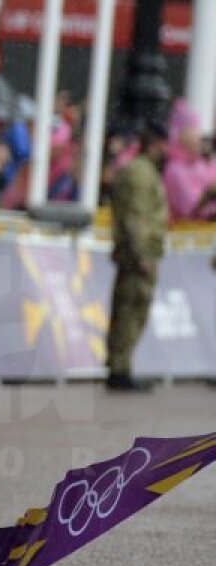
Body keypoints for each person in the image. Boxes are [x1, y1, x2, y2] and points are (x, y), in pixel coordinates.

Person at [106, 120, 169, 393]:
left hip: (136, 253)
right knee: (131, 309)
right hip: (138, 255)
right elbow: (137, 217)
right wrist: (142, 254)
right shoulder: (140, 174)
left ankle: (121, 366)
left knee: (132, 309)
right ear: (154, 145)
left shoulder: (141, 171)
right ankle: (119, 369)